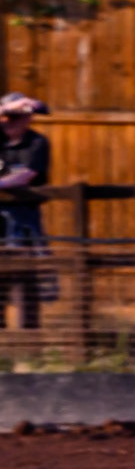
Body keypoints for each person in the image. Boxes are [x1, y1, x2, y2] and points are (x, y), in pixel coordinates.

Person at [0, 92, 51, 330]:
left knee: (24, 276)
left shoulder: (37, 143)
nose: (13, 121)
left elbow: (27, 175)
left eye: (20, 116)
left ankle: (27, 337)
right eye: (9, 115)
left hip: (23, 217)